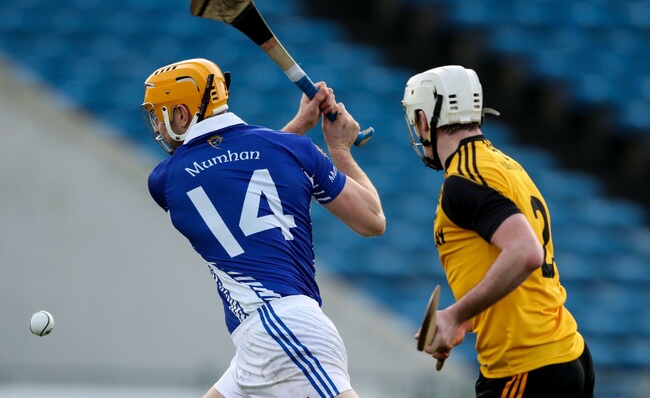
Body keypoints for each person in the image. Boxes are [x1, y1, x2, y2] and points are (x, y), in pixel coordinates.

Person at [141, 58, 385, 398]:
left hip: (279, 328)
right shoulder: (293, 149)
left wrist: (298, 125)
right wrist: (339, 148)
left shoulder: (165, 180)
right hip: (272, 331)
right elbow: (372, 219)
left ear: (182, 114)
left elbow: (233, 169)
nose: (157, 126)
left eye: (160, 115)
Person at [402, 65, 595, 397]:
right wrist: (467, 321)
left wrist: (454, 315)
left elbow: (526, 253)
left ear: (424, 119)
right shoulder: (504, 165)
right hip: (563, 354)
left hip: (526, 366)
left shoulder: (463, 180)